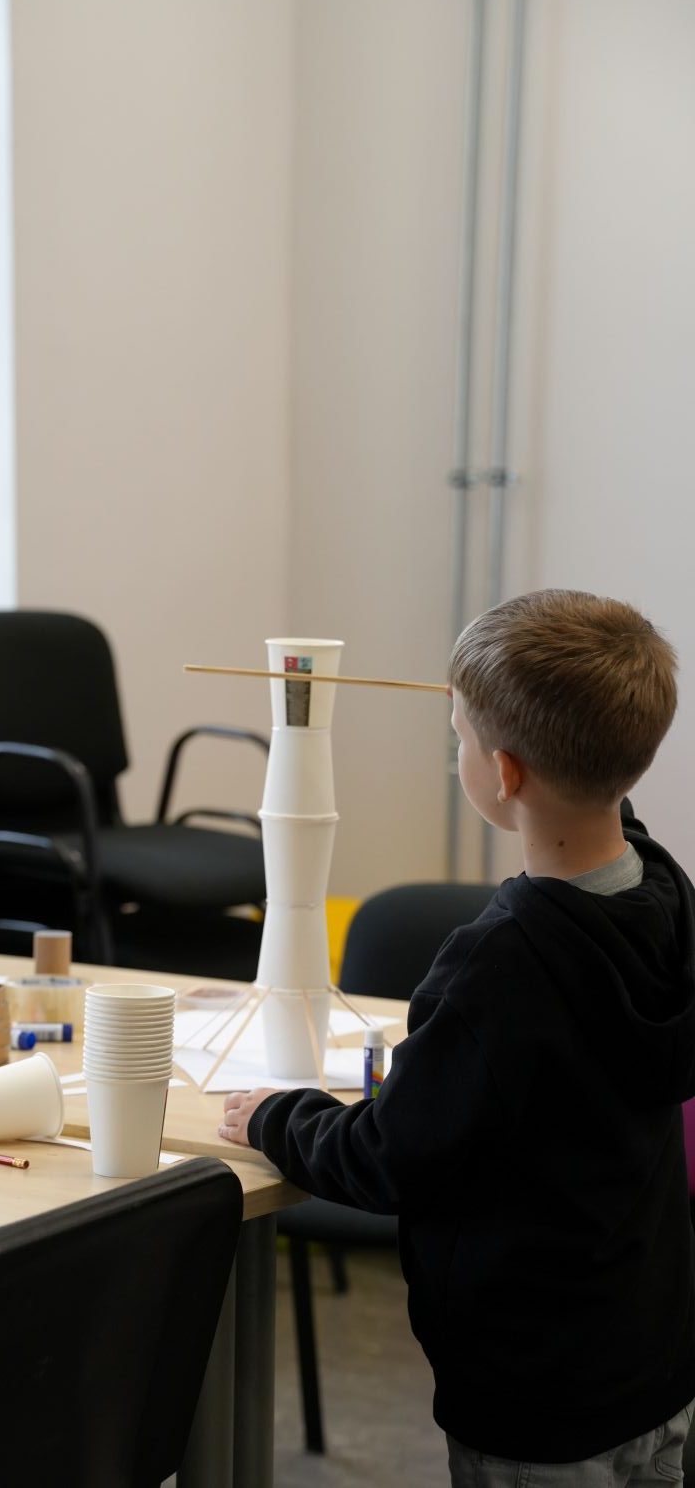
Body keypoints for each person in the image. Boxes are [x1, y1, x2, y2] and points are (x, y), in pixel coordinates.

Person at [220, 589, 695, 1486]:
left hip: (538, 1402)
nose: (458, 755)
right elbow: (602, 802)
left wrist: (277, 1116)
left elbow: (389, 1156)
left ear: (503, 774)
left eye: (458, 742)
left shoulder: (500, 963)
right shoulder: (665, 892)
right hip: (653, 1364)